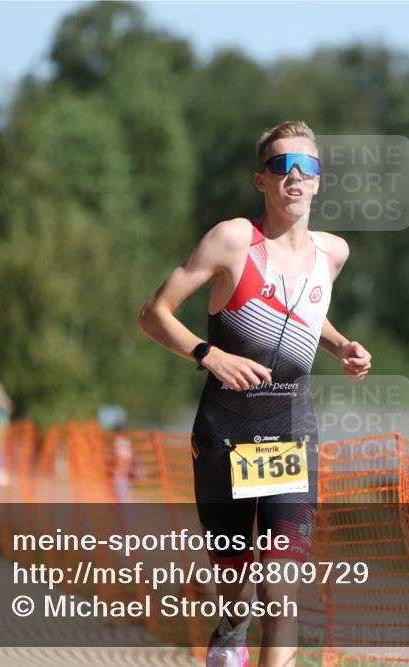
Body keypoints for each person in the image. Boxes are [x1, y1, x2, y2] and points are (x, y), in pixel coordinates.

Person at [139, 120, 371, 667]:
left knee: (280, 589)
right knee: (237, 579)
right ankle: (230, 627)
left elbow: (304, 309)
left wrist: (339, 346)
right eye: (280, 166)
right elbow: (154, 315)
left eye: (306, 166)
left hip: (291, 429)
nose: (294, 175)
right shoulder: (233, 240)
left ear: (318, 180)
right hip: (226, 430)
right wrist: (208, 354)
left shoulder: (332, 254)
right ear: (260, 181)